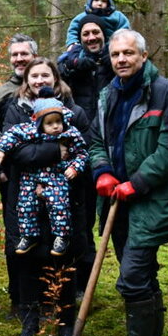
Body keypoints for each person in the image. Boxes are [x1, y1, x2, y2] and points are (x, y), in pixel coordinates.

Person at [91, 29, 168, 336]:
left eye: (128, 53)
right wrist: (102, 170)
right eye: (116, 54)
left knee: (133, 279)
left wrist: (139, 182)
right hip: (117, 203)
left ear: (144, 56)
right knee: (141, 277)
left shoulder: (167, 92)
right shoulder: (108, 95)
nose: (121, 59)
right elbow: (95, 140)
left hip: (152, 202)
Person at [0, 57, 90, 336]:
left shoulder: (74, 111)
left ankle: (64, 323)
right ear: (26, 81)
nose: (39, 80)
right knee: (27, 260)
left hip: (66, 198)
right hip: (25, 198)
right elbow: (16, 153)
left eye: (45, 75)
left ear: (55, 78)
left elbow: (83, 150)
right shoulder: (15, 110)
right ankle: (30, 322)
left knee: (63, 259)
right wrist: (54, 152)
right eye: (34, 76)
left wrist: (61, 158)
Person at [58, 15, 115, 298]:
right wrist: (72, 63)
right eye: (86, 33)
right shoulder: (72, 63)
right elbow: (56, 76)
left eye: (96, 32)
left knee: (115, 220)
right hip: (82, 152)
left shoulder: (115, 60)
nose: (91, 37)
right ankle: (82, 284)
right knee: (81, 221)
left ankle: (131, 277)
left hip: (113, 150)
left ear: (104, 34)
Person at [0, 88, 87, 257]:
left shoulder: (70, 133)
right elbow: (11, 134)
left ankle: (62, 236)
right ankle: (29, 235)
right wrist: (1, 149)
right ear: (40, 123)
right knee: (25, 204)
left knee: (59, 204)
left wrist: (74, 167)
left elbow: (81, 153)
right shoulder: (30, 130)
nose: (56, 126)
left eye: (58, 121)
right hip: (31, 175)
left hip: (57, 175)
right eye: (50, 123)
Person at [64, 0, 131, 49]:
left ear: (109, 3)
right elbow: (73, 30)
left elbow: (124, 31)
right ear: (90, 0)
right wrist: (73, 43)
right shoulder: (82, 17)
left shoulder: (117, 16)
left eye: (104, 1)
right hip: (88, 48)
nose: (99, 3)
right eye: (96, 0)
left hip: (112, 48)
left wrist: (120, 43)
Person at [0, 34, 38, 128]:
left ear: (35, 57)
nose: (19, 59)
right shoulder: (1, 92)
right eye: (14, 55)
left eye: (24, 54)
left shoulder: (47, 85)